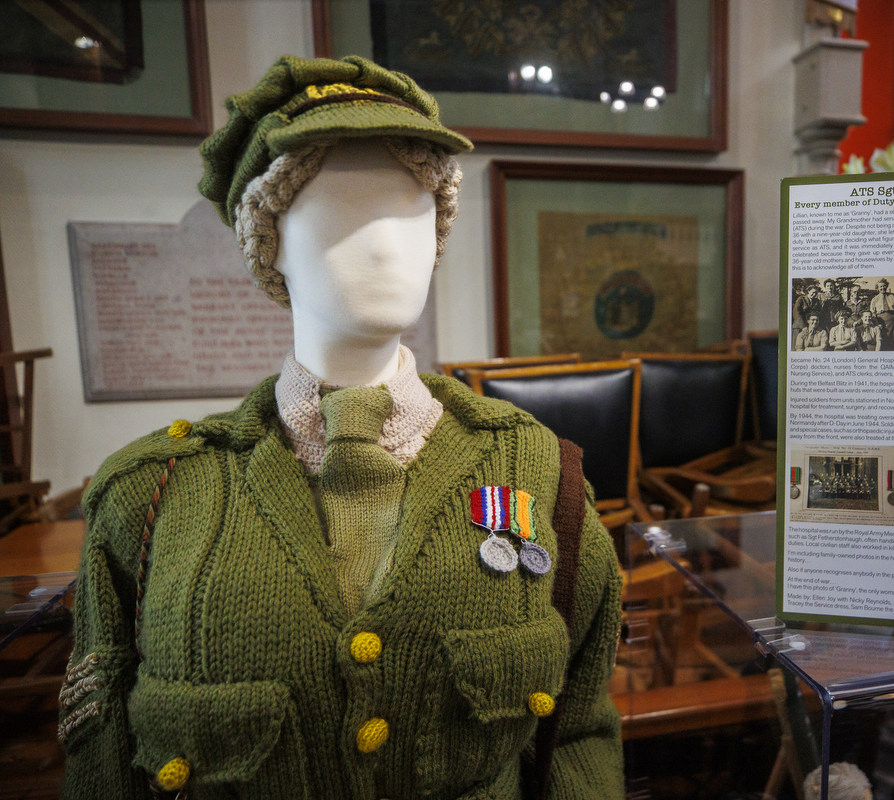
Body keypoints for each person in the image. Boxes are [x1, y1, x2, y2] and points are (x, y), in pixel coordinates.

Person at [58, 56, 624, 800]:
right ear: (269, 239)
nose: (386, 242)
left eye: (413, 206)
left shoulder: (539, 474)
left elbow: (577, 735)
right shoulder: (149, 500)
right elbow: (102, 764)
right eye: (338, 206)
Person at [870, 278, 894, 350]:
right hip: (882, 324)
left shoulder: (893, 297)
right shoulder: (874, 299)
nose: (883, 288)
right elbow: (873, 313)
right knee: (884, 344)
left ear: (887, 286)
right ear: (878, 288)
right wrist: (876, 324)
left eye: (884, 286)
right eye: (880, 286)